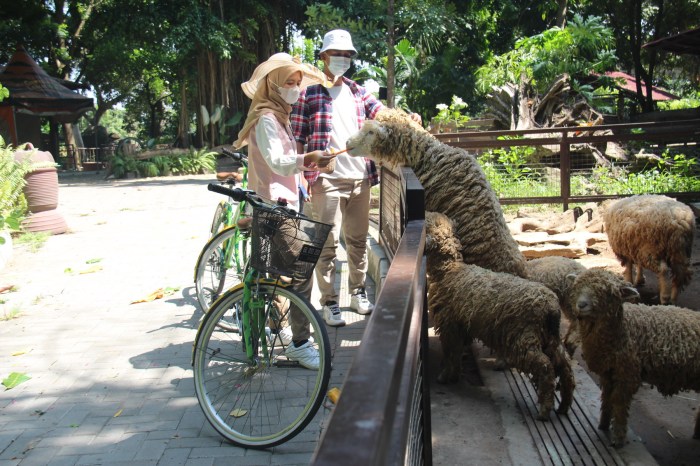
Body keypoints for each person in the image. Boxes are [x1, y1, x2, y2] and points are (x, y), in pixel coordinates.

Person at [292, 29, 422, 327]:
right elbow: (299, 139)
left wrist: (408, 117)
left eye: (347, 55)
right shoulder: (308, 95)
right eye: (336, 54)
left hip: (360, 177)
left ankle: (358, 292)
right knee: (324, 244)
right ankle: (329, 302)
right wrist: (303, 176)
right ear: (324, 56)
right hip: (326, 179)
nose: (342, 59)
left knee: (358, 240)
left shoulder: (358, 91)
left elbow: (384, 114)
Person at [233, 52, 335, 369]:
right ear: (273, 86)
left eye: (296, 82)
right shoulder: (266, 119)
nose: (294, 88)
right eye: (288, 83)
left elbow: (285, 166)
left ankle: (268, 324)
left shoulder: (281, 117)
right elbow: (277, 161)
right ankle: (300, 344)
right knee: (300, 276)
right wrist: (309, 159)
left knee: (282, 277)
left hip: (285, 204)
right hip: (273, 206)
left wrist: (309, 167)